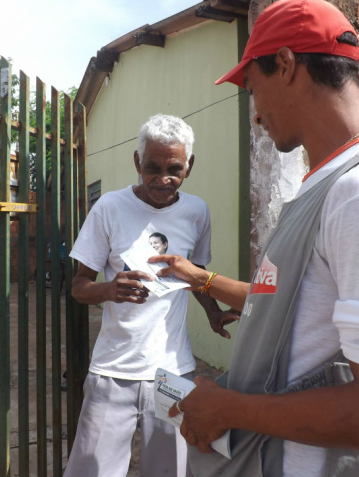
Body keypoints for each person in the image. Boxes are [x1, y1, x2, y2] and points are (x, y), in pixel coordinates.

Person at [150, 0, 359, 477]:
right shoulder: (328, 185)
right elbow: (287, 305)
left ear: (284, 64)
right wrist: (200, 277)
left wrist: (230, 409)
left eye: (253, 88)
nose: (256, 113)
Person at [64, 114, 239, 477]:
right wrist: (109, 290)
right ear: (136, 163)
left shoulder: (196, 211)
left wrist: (212, 310)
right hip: (113, 370)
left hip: (173, 371)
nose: (162, 179)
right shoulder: (110, 208)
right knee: (92, 471)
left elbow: (194, 277)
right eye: (151, 167)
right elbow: (78, 286)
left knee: (169, 471)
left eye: (174, 168)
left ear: (189, 166)